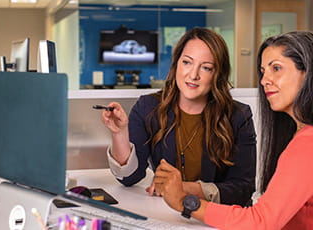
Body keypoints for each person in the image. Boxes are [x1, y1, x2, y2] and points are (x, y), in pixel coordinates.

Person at [153, 31, 313, 229]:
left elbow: (261, 222)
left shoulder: (312, 143)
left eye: (276, 68)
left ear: (308, 73)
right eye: (263, 71)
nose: (265, 80)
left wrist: (185, 203)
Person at [101, 27, 257, 205]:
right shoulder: (148, 107)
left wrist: (184, 188)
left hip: (215, 217)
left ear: (217, 75)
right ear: (176, 64)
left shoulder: (238, 116)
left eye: (206, 68)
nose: (193, 75)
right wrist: (119, 133)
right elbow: (129, 178)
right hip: (166, 214)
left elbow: (243, 188)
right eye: (187, 62)